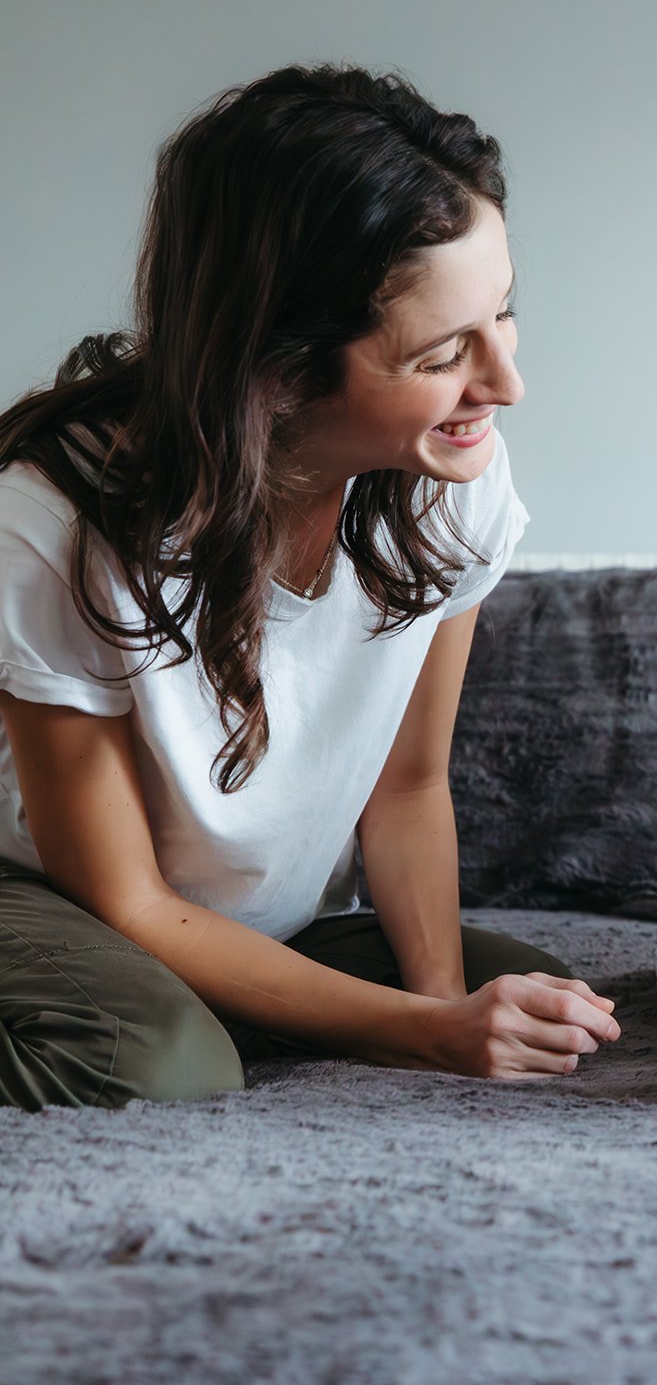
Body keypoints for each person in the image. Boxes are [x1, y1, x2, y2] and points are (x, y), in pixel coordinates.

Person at [0, 65, 620, 1112]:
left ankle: (231, 1006)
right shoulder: (51, 522)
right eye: (442, 352)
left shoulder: (450, 479)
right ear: (281, 366)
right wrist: (424, 1030)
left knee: (557, 1007)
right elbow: (127, 897)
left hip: (256, 916)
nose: (506, 382)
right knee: (164, 1066)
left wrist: (447, 1017)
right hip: (60, 899)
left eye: (502, 315)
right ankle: (197, 1020)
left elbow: (408, 790)